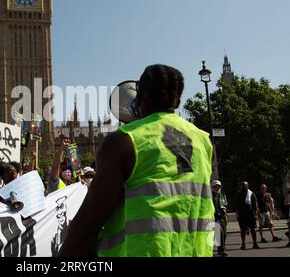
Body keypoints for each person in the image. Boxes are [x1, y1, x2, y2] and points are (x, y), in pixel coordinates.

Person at [59, 64, 215, 257]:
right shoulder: (203, 141)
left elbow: (88, 222)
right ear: (178, 99)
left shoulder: (124, 141)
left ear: (141, 97)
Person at [235, 181, 260, 250]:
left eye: (245, 185)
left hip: (251, 214)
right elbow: (236, 205)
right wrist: (237, 214)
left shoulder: (252, 194)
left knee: (253, 229)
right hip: (242, 215)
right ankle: (243, 243)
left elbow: (255, 204)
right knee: (242, 230)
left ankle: (255, 243)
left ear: (248, 186)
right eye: (242, 185)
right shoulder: (238, 194)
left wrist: (256, 213)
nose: (243, 187)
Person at [212, 180, 228, 256]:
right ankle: (221, 250)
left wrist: (225, 210)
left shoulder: (222, 194)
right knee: (219, 233)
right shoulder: (211, 195)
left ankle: (222, 248)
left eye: (218, 186)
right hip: (215, 216)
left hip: (223, 216)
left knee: (224, 233)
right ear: (213, 187)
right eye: (216, 186)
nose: (217, 187)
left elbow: (225, 203)